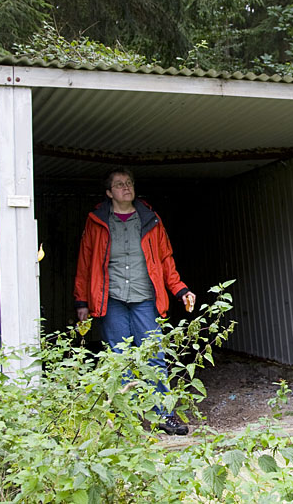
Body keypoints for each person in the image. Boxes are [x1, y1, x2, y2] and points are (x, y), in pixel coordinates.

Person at [74, 167, 196, 435]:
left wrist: (180, 289)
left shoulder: (150, 219)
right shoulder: (96, 221)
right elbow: (85, 262)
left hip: (144, 297)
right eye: (119, 184)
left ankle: (164, 414)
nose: (126, 187)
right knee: (120, 359)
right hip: (112, 298)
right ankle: (127, 420)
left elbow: (165, 259)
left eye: (129, 183)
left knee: (154, 357)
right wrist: (81, 300)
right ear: (109, 192)